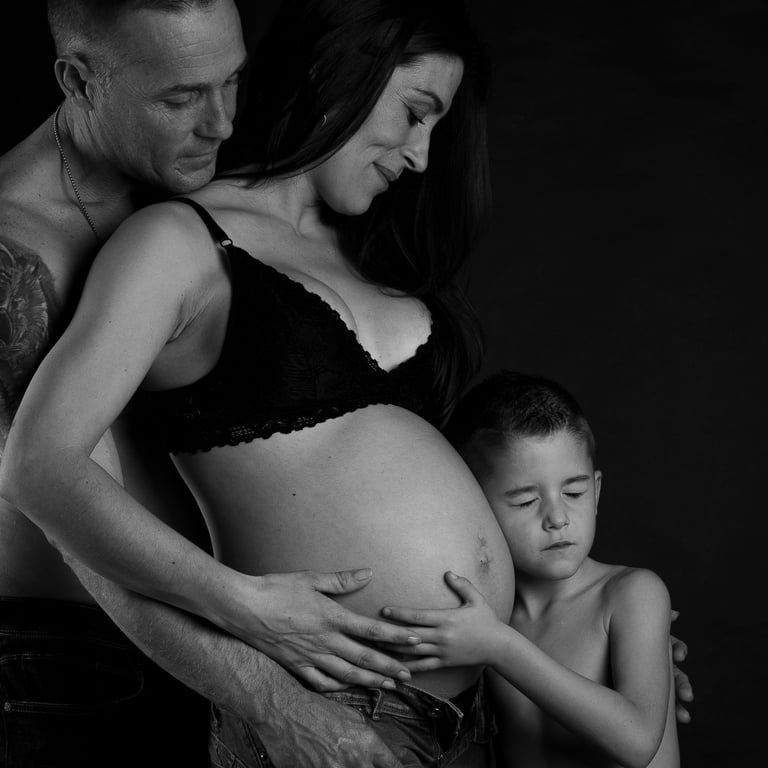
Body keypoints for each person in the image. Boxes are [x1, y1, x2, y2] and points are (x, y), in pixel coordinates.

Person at [2, 0, 521, 765]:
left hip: (382, 680)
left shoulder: (231, 205)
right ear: (79, 81)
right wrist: (261, 661)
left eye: (233, 82)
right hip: (103, 662)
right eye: (181, 97)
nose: (220, 122)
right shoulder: (41, 248)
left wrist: (575, 626)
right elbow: (52, 491)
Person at [383, 370, 681, 767]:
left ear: (596, 492)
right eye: (525, 502)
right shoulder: (485, 618)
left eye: (574, 492)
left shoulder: (630, 593)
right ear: (474, 507)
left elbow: (637, 742)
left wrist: (498, 646)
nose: (557, 518)